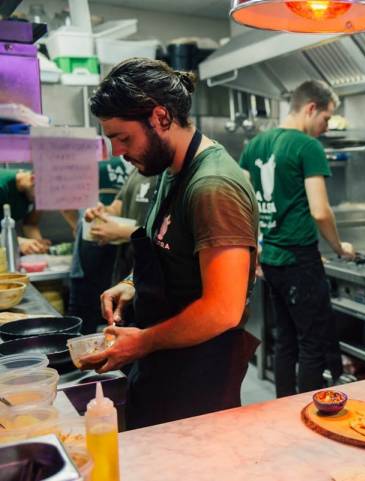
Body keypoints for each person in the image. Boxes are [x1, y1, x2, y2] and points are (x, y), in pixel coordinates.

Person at [79, 58, 260, 429]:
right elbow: (169, 251)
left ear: (160, 117)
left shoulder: (213, 186)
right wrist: (130, 284)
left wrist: (141, 342)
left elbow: (222, 309)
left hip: (200, 379)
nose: (117, 152)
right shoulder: (169, 170)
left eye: (123, 138)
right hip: (167, 364)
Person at [240, 80, 354, 397]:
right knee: (312, 343)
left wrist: (256, 249)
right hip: (299, 260)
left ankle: (285, 409)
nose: (325, 127)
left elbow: (244, 205)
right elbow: (320, 211)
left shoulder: (254, 146)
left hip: (271, 261)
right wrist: (338, 247)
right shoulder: (307, 147)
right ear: (310, 108)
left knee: (285, 339)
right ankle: (309, 416)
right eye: (326, 119)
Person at [68, 157, 132, 334]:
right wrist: (99, 213)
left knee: (112, 324)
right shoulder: (103, 169)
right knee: (83, 323)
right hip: (90, 261)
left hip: (123, 267)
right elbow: (115, 208)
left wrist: (123, 231)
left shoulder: (153, 172)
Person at [0, 168, 50, 254]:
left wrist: (37, 243)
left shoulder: (35, 190)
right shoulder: (2, 186)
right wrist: (18, 242)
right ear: (32, 179)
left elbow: (30, 224)